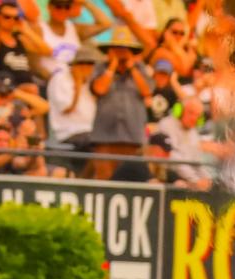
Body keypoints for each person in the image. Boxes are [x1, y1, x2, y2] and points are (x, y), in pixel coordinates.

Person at [86, 27, 151, 179]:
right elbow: (99, 89)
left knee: (131, 179)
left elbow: (147, 91)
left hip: (132, 137)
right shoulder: (100, 68)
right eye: (117, 49)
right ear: (110, 50)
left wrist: (132, 68)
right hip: (104, 137)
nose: (121, 53)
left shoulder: (140, 69)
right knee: (104, 178)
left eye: (125, 49)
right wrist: (112, 67)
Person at [0, 0, 51, 88]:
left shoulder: (21, 40)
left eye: (16, 18)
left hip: (29, 86)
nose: (11, 20)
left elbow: (47, 51)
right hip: (6, 88)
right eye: (7, 17)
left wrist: (27, 31)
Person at [28, 0, 112, 76]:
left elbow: (105, 23)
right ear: (49, 7)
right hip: (49, 82)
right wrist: (54, 80)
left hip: (75, 81)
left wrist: (85, 3)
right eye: (59, 7)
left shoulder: (75, 29)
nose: (62, 11)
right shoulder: (39, 29)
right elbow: (35, 64)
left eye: (67, 7)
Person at [155, 95, 215, 189]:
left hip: (188, 179)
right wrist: (195, 180)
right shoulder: (166, 125)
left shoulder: (194, 133)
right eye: (191, 113)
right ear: (179, 111)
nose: (194, 118)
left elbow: (197, 162)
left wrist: (207, 180)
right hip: (169, 175)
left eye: (198, 115)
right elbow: (173, 159)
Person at [47, 45, 99, 148]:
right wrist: (78, 84)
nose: (89, 68)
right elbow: (67, 108)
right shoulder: (60, 79)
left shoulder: (90, 83)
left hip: (91, 131)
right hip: (69, 133)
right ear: (76, 65)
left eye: (91, 64)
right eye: (85, 64)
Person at [146, 58, 179, 124]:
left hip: (165, 127)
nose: (162, 78)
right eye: (159, 74)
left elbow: (177, 112)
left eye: (165, 75)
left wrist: (175, 83)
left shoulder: (171, 93)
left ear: (169, 78)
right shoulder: (146, 89)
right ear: (154, 74)